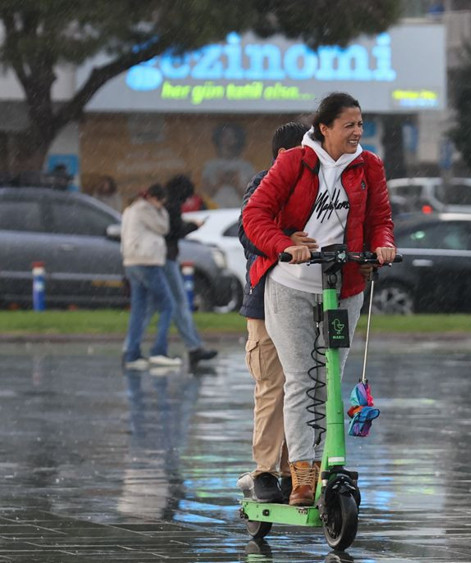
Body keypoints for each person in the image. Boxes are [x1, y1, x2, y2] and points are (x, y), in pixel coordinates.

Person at [243, 92, 396, 506]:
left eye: (361, 124)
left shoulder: (369, 166)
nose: (358, 132)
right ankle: (303, 476)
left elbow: (381, 218)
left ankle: (330, 464)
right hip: (291, 285)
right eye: (349, 125)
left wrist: (382, 245)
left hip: (343, 286)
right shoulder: (294, 161)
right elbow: (254, 216)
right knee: (299, 379)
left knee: (330, 379)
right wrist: (283, 245)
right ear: (324, 128)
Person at [236, 122, 310, 503]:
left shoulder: (319, 184)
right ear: (286, 154)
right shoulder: (264, 183)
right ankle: (266, 470)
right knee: (273, 386)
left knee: (303, 386)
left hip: (306, 299)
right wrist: (284, 241)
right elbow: (249, 231)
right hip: (265, 301)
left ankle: (292, 470)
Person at [157, 174, 219, 366]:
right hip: (167, 259)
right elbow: (175, 231)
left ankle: (190, 347)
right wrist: (194, 226)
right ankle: (192, 347)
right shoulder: (172, 207)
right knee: (179, 304)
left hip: (160, 258)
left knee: (161, 306)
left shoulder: (163, 204)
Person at [120, 184, 182, 369]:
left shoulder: (130, 209)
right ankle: (158, 351)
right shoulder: (145, 209)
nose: (162, 205)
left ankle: (132, 354)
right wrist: (161, 210)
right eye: (161, 201)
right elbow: (163, 227)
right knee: (167, 305)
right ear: (155, 198)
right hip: (147, 262)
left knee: (139, 310)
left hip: (132, 262)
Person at [202, 123, 257, 208]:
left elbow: (253, 197)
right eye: (224, 136)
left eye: (232, 136)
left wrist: (236, 183)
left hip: (239, 211)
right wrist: (220, 181)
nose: (228, 140)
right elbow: (206, 196)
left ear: (238, 140)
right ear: (218, 139)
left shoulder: (247, 167)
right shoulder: (210, 166)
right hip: (214, 211)